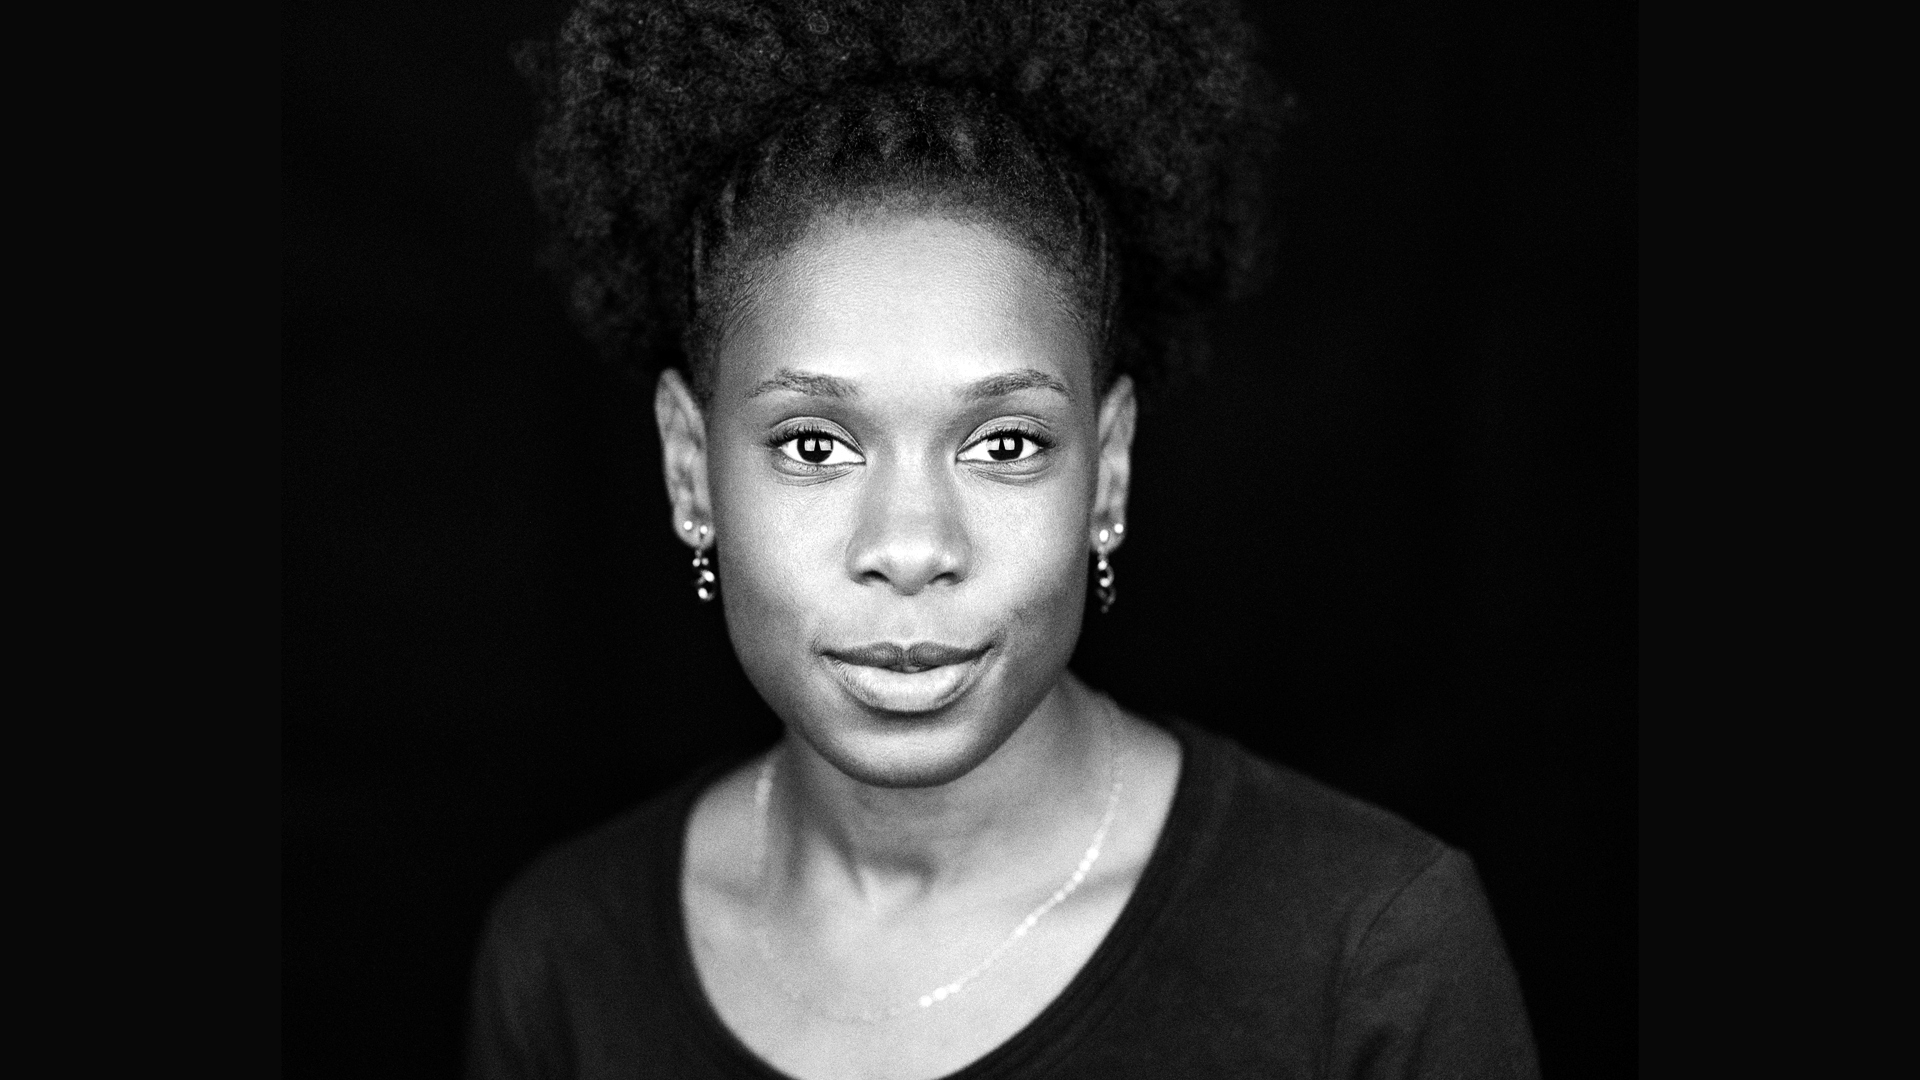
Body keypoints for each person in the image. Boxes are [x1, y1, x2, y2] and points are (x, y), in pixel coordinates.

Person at [470, 2, 1539, 1077]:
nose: (911, 546)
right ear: (689, 469)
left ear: (1108, 469)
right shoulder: (566, 960)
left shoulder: (1369, 954)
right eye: (812, 445)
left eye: (1004, 444)